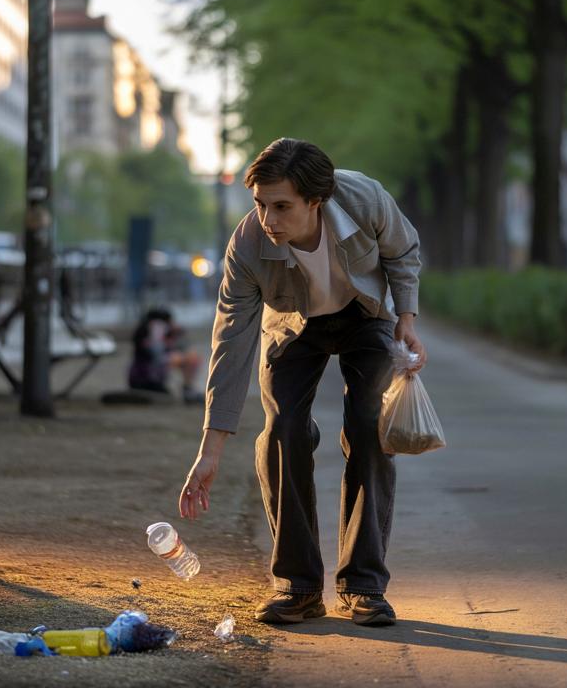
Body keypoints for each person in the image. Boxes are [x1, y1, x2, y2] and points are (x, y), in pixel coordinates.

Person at [177, 138, 426, 627]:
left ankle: (364, 585)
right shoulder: (248, 244)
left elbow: (403, 250)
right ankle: (298, 586)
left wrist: (407, 317)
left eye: (282, 206)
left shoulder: (365, 199)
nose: (268, 219)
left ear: (317, 200)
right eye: (260, 205)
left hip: (364, 313)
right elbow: (231, 341)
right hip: (292, 324)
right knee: (283, 432)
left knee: (369, 427)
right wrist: (211, 449)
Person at [128, 307, 203, 403]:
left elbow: (181, 347)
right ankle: (186, 390)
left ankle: (187, 389)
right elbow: (155, 353)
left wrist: (176, 334)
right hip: (143, 378)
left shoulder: (167, 332)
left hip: (154, 374)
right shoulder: (148, 331)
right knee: (179, 358)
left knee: (192, 357)